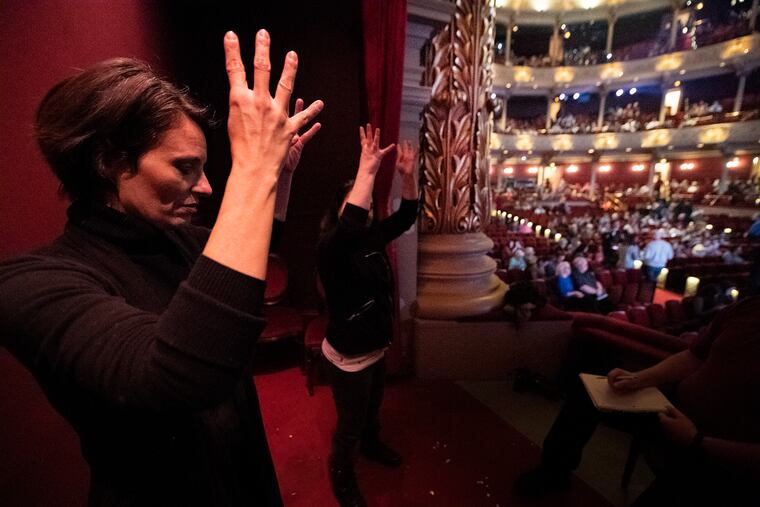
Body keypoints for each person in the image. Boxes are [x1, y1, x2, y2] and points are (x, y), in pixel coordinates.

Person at [0, 30, 323, 506]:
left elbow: (243, 271)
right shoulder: (31, 283)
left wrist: (276, 176)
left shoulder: (173, 239)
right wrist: (252, 170)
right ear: (110, 160)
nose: (207, 188)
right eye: (185, 167)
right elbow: (177, 376)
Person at [516, 296, 760, 506]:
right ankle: (554, 471)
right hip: (677, 412)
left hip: (721, 451)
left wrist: (696, 441)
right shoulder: (746, 308)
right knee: (590, 391)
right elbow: (693, 357)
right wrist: (637, 379)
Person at [318, 125, 418, 507]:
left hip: (376, 346)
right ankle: (341, 475)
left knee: (373, 408)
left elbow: (407, 216)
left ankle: (372, 444)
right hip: (348, 357)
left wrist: (407, 178)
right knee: (349, 426)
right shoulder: (331, 248)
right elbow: (348, 226)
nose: (366, 213)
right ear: (340, 210)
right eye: (357, 206)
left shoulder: (372, 238)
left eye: (369, 207)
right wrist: (368, 169)